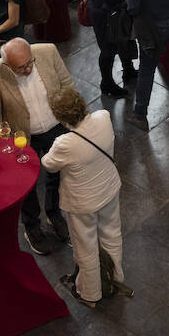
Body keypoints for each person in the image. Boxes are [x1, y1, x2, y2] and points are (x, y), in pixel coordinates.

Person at [0, 38, 78, 255]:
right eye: (20, 68)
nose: (27, 69)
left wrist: (73, 120)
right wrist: (5, 148)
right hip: (24, 139)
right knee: (26, 185)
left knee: (56, 175)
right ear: (7, 65)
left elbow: (67, 84)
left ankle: (54, 214)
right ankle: (32, 226)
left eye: (29, 63)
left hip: (57, 128)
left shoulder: (48, 51)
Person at [40, 85, 127, 308]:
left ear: (59, 116)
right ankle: (116, 279)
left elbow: (47, 164)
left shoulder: (64, 143)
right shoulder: (103, 117)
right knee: (112, 234)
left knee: (85, 246)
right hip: (108, 190)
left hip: (82, 203)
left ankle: (90, 294)